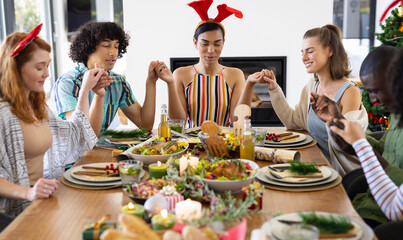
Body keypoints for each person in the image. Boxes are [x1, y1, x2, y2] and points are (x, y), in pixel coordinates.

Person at [0, 24, 99, 220]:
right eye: (39, 67)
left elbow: (74, 135)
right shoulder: (3, 114)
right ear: (16, 69)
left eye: (48, 65)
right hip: (14, 215)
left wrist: (87, 91)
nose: (47, 74)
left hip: (41, 204)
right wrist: (28, 192)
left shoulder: (38, 107)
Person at [238, 24, 368, 172]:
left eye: (310, 51)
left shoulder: (350, 91)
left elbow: (350, 143)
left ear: (330, 50)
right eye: (302, 53)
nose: (304, 58)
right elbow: (293, 122)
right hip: (315, 161)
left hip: (341, 171)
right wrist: (273, 88)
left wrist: (331, 117)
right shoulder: (312, 85)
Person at [51, 21, 174, 136]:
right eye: (106, 45)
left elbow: (145, 125)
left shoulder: (117, 82)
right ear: (88, 48)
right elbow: (81, 136)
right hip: (71, 157)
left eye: (116, 46)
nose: (113, 53)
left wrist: (151, 82)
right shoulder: (68, 83)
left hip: (98, 152)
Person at [329, 48, 403, 225]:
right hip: (368, 200)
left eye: (377, 90)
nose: (373, 100)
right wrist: (350, 137)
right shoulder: (396, 115)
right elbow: (383, 151)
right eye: (369, 92)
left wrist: (360, 144)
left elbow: (395, 206)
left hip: (381, 218)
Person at [167, 0, 245, 128]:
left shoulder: (235, 75)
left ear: (223, 43)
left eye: (217, 44)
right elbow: (178, 121)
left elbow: (236, 120)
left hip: (224, 143)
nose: (211, 50)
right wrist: (170, 83)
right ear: (195, 42)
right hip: (191, 142)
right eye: (205, 44)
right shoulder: (180, 74)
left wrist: (251, 84)